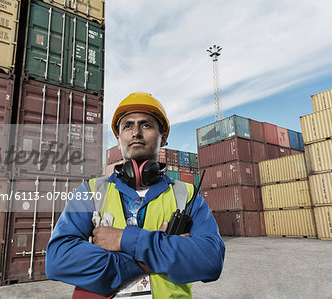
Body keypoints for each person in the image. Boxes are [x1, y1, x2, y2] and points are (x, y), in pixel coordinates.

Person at [46, 92, 225, 298]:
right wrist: (145, 261)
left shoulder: (186, 195)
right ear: (118, 137)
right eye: (127, 126)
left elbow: (211, 261)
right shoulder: (91, 190)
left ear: (163, 137)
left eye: (146, 125)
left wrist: (123, 239)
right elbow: (58, 259)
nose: (136, 133)